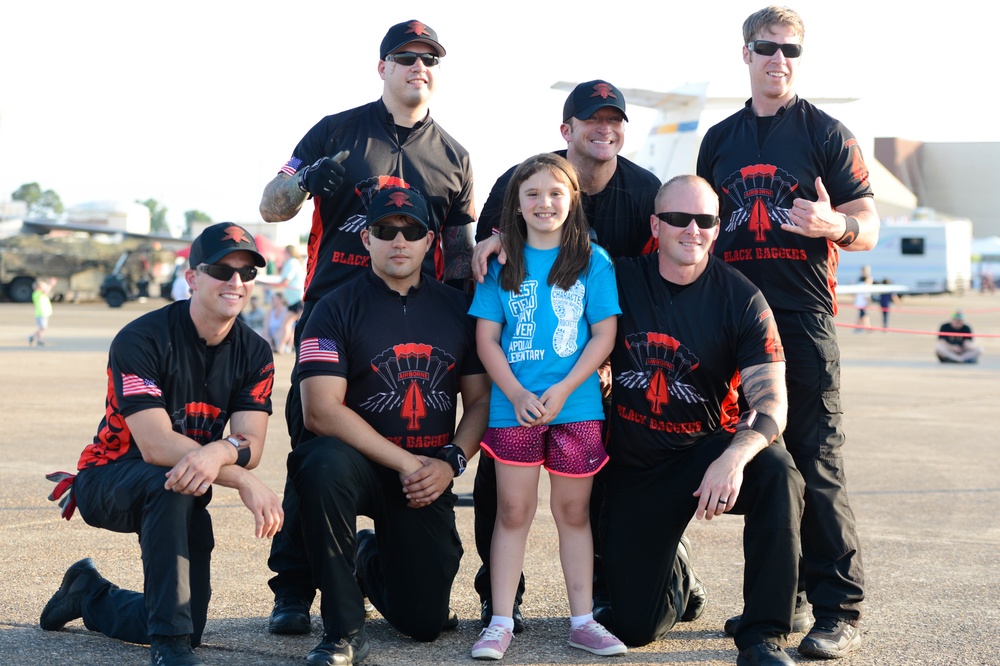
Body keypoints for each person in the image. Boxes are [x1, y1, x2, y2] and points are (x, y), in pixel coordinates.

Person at [258, 19, 477, 634]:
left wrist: (466, 325)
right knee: (314, 458)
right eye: (406, 57)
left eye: (429, 58)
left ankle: (381, 559)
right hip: (336, 315)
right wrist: (303, 182)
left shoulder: (454, 155)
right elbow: (270, 205)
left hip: (416, 323)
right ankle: (294, 589)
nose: (418, 67)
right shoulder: (336, 131)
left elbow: (460, 253)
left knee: (426, 607)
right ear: (382, 67)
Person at [696, 6, 878, 658]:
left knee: (816, 461)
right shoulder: (719, 139)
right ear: (746, 53)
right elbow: (700, 224)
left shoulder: (827, 133)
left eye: (791, 50)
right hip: (735, 321)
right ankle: (783, 599)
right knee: (770, 466)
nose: (779, 59)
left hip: (801, 318)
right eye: (767, 47)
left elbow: (868, 223)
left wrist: (836, 226)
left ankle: (839, 608)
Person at [39, 222, 284, 666]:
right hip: (107, 478)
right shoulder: (142, 338)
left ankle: (90, 594)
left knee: (190, 623)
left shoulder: (254, 351)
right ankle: (168, 649)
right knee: (170, 482)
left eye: (246, 273)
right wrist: (243, 480)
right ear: (192, 278)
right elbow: (155, 445)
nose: (235, 281)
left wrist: (220, 451)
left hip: (185, 486)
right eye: (221, 270)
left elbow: (252, 443)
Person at [470, 79, 662, 631]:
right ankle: (500, 604)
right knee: (504, 499)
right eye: (592, 120)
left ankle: (600, 601)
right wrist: (512, 387)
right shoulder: (520, 179)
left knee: (599, 491)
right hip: (516, 381)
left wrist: (604, 366)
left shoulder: (641, 191)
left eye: (614, 120)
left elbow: (645, 288)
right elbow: (488, 256)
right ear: (567, 130)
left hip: (599, 369)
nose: (605, 129)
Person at [597, 175, 804, 666]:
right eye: (678, 218)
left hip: (701, 455)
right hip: (632, 469)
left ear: (717, 227)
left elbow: (773, 403)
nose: (693, 229)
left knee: (777, 471)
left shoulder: (742, 299)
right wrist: (498, 243)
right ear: (655, 225)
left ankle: (763, 635)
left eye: (705, 220)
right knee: (634, 628)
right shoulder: (616, 279)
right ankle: (680, 576)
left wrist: (733, 458)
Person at [286, 186, 489, 665]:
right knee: (320, 464)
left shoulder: (460, 309)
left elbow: (480, 401)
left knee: (423, 622)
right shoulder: (332, 308)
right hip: (357, 467)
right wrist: (407, 462)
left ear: (429, 241)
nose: (399, 240)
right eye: (385, 230)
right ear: (366, 239)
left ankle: (367, 555)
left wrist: (450, 462)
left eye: (412, 231)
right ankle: (343, 630)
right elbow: (319, 411)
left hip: (425, 477)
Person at [468, 154, 624, 660]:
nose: (544, 203)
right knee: (513, 511)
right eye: (532, 193)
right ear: (516, 203)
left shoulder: (593, 261)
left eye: (556, 193)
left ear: (573, 200)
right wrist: (515, 392)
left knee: (573, 512)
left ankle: (582, 621)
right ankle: (500, 621)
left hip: (576, 407)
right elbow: (487, 338)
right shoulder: (500, 264)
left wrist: (566, 387)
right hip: (514, 408)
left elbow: (604, 334)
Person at [273, 245, 306, 353]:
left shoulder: (292, 262)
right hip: (295, 299)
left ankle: (283, 346)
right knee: (290, 324)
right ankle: (285, 346)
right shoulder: (295, 263)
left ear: (288, 252)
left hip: (297, 299)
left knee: (289, 324)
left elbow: (285, 281)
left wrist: (270, 286)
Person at [29, 276, 56, 346]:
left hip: (45, 313)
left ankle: (36, 338)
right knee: (43, 328)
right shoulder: (36, 294)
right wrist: (50, 284)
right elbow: (45, 291)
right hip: (40, 313)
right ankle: (35, 338)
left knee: (42, 328)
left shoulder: (40, 294)